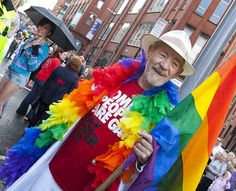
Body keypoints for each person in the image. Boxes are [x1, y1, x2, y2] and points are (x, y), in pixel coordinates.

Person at [0, 30, 195, 190]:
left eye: (174, 63)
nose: (165, 65)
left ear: (176, 73)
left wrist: (144, 161)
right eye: (163, 55)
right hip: (50, 172)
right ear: (150, 51)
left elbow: (154, 175)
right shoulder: (115, 77)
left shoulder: (164, 118)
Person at [0, 17, 56, 118]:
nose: (41, 28)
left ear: (49, 33)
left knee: (0, 102)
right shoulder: (30, 39)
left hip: (20, 76)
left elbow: (33, 67)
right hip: (10, 71)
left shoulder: (44, 48)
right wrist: (10, 66)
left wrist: (35, 50)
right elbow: (18, 55)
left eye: (45, 28)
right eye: (41, 25)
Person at [28, 55, 82, 127]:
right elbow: (70, 93)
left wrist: (42, 93)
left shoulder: (59, 68)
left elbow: (48, 81)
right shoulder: (75, 78)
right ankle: (35, 135)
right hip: (56, 102)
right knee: (45, 121)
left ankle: (28, 131)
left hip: (46, 96)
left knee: (37, 115)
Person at [16, 50, 68, 120]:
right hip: (44, 80)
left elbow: (43, 66)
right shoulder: (57, 61)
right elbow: (56, 73)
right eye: (64, 54)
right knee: (38, 98)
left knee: (31, 95)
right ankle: (30, 116)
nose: (65, 57)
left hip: (39, 77)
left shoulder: (50, 58)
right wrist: (61, 68)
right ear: (59, 53)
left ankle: (21, 110)